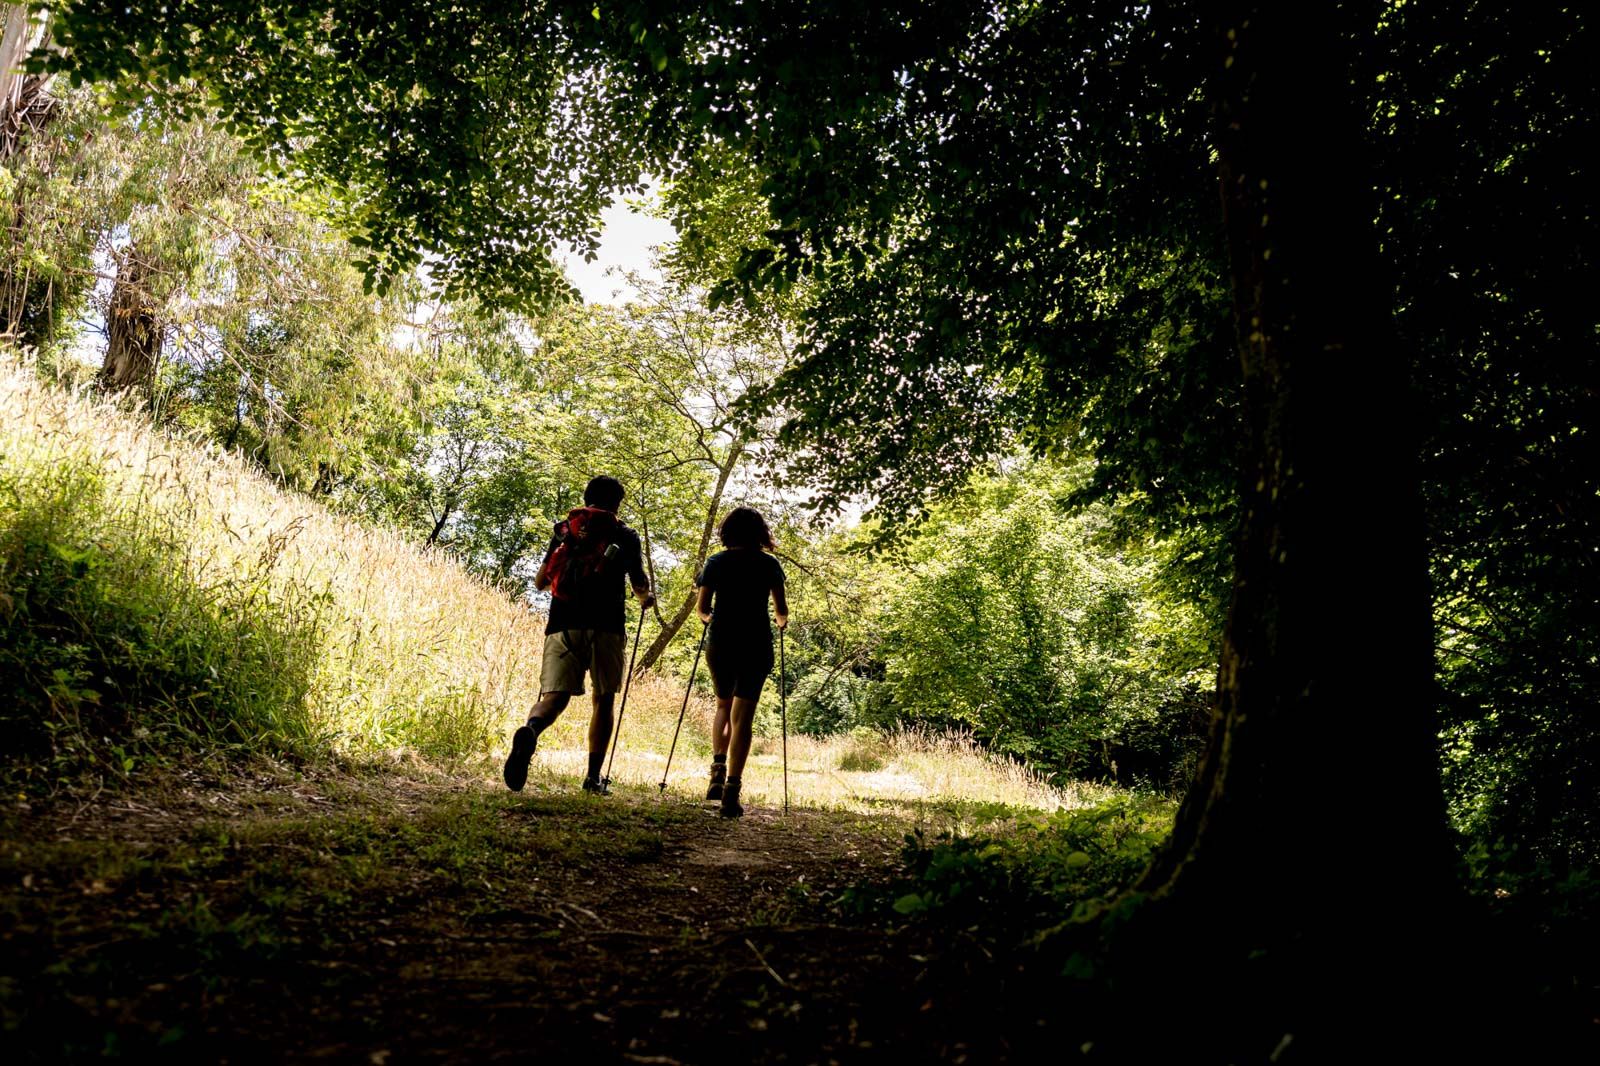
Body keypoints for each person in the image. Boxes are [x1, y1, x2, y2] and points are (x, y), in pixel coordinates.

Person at [503, 475, 654, 794]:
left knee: (555, 698)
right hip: (607, 627)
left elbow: (541, 581)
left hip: (562, 623)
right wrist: (645, 599)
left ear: (586, 499)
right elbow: (638, 581)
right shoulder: (624, 534)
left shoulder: (563, 530)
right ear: (617, 504)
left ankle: (530, 730)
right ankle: (592, 778)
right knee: (604, 699)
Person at [695, 506, 788, 818]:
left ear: (728, 532)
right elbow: (781, 609)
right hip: (756, 643)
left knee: (723, 706)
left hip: (721, 642)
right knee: (743, 716)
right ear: (760, 532)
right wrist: (781, 622)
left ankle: (717, 770)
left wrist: (711, 619)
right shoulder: (769, 564)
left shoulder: (716, 562)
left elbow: (703, 608)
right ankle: (732, 791)